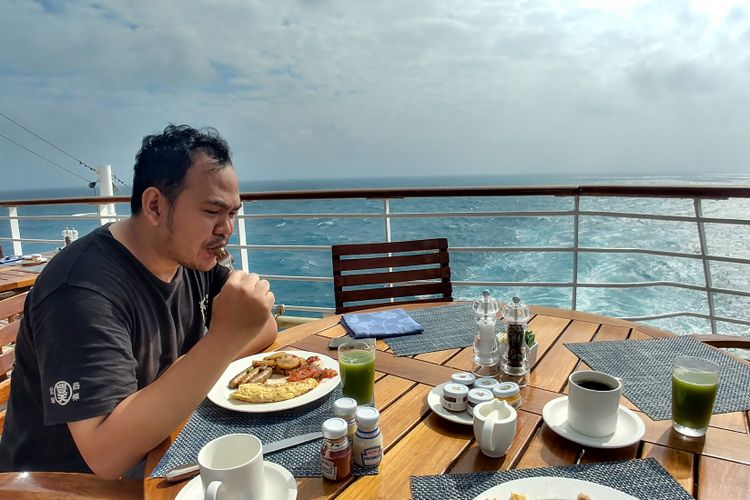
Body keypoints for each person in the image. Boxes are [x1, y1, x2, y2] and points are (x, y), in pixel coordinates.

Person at [0, 124, 278, 479]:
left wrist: (209, 354)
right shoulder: (81, 291)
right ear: (155, 206)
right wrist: (221, 342)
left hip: (164, 444)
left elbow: (261, 325)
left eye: (233, 213)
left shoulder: (191, 257)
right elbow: (106, 457)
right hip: (66, 485)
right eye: (212, 212)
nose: (227, 229)